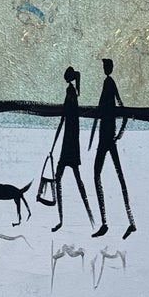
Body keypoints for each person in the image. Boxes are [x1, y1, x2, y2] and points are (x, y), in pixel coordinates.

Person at [89, 57, 135, 239]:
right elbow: (121, 110)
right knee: (118, 177)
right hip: (108, 138)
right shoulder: (109, 83)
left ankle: (106, 223)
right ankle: (130, 221)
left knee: (98, 176)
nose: (104, 68)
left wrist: (118, 135)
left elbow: (117, 111)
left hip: (106, 139)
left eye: (105, 66)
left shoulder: (108, 83)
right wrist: (118, 135)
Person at [48, 65, 95, 232]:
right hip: (73, 142)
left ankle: (62, 219)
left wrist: (54, 144)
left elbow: (63, 118)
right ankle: (89, 214)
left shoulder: (70, 93)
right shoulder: (74, 93)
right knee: (76, 179)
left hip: (68, 143)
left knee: (59, 178)